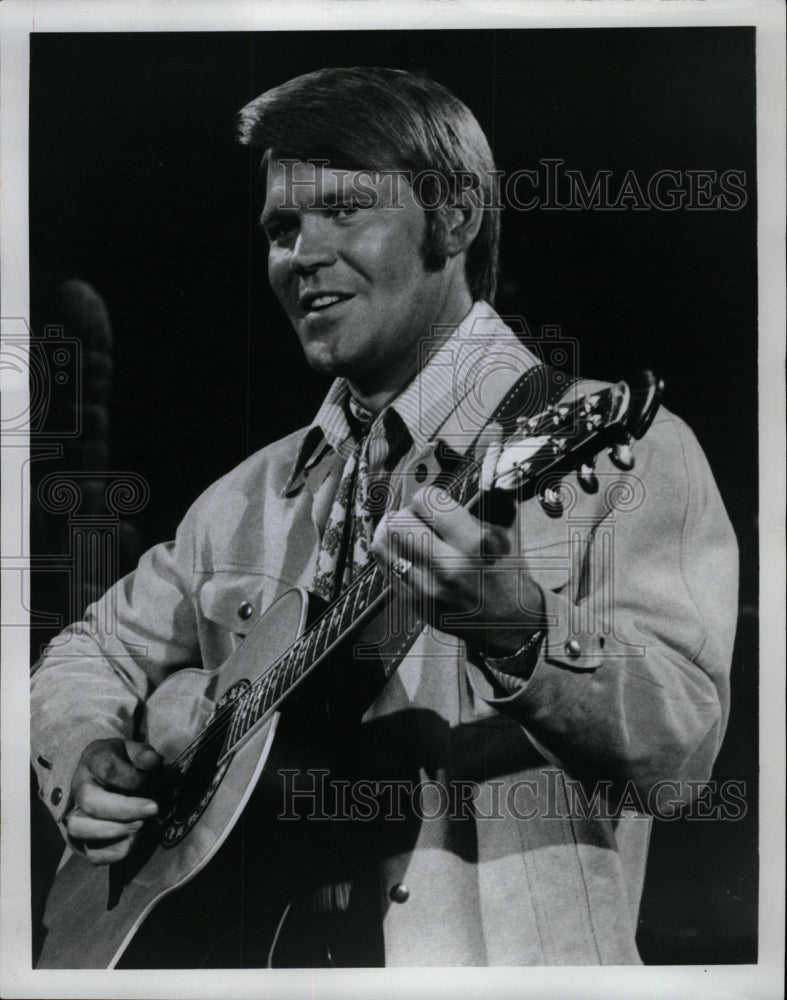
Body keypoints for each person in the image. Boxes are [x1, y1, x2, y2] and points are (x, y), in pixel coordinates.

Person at [30, 66, 738, 967]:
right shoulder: (245, 497)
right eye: (282, 228)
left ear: (453, 219)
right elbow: (85, 651)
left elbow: (679, 758)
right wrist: (86, 750)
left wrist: (514, 625)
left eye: (342, 211)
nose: (300, 254)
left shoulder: (620, 452)